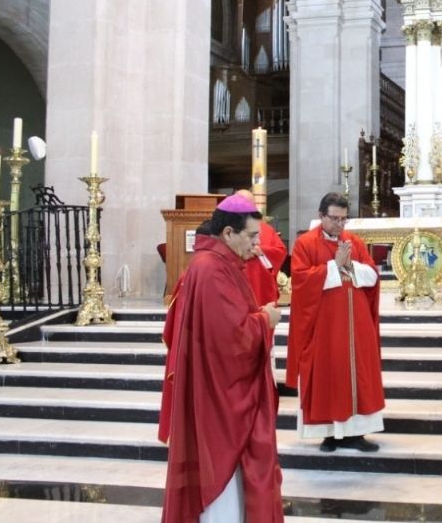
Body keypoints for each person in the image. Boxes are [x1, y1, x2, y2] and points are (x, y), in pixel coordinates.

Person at [159, 195, 284, 523]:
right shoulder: (213, 269)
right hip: (220, 398)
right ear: (228, 233)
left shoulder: (217, 263)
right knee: (225, 490)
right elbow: (230, 341)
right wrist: (265, 320)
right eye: (252, 236)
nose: (257, 244)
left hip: (214, 385)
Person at [286, 193, 385, 453]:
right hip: (325, 326)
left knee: (358, 373)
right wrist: (333, 266)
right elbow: (300, 281)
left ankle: (357, 432)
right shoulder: (305, 244)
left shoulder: (354, 242)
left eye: (344, 219)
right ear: (321, 216)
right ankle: (329, 433)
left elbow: (372, 275)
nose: (340, 225)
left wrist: (350, 265)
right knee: (330, 374)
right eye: (334, 219)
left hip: (357, 322)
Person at [234, 189, 288, 306]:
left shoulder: (266, 229)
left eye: (248, 205)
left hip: (260, 286)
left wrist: (262, 251)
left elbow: (280, 251)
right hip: (234, 284)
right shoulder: (228, 230)